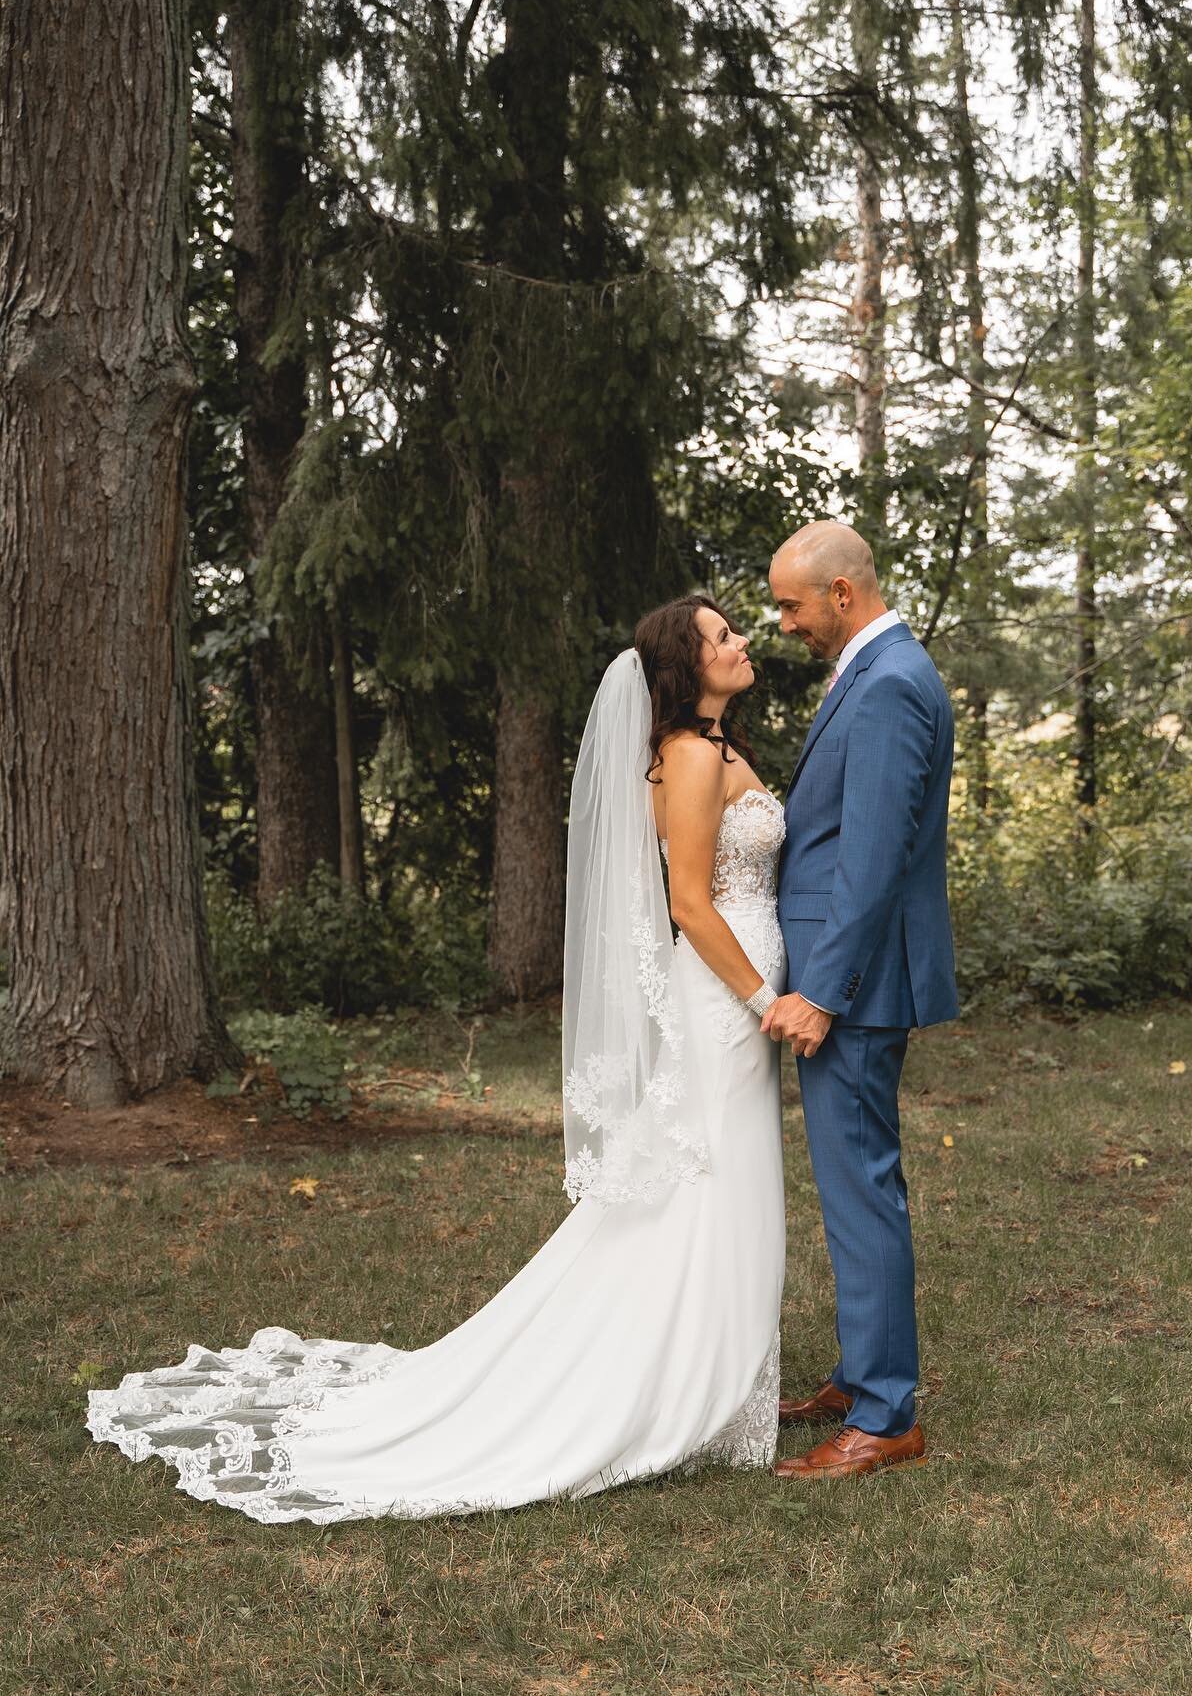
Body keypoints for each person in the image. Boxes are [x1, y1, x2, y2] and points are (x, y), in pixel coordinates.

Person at [86, 597, 788, 1523]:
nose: (741, 642)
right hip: (725, 995)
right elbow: (691, 906)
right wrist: (766, 999)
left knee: (724, 1184)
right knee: (709, 1184)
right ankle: (675, 1381)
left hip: (737, 994)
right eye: (721, 637)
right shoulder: (694, 759)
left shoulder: (719, 745)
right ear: (683, 667)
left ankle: (717, 1375)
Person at [763, 520, 958, 1480]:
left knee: (861, 1191)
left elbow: (873, 861)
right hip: (857, 978)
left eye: (792, 605)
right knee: (855, 1187)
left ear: (842, 593)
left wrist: (822, 993)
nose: (783, 623)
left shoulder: (887, 686)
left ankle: (886, 1418)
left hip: (858, 985)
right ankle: (860, 1375)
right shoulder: (876, 674)